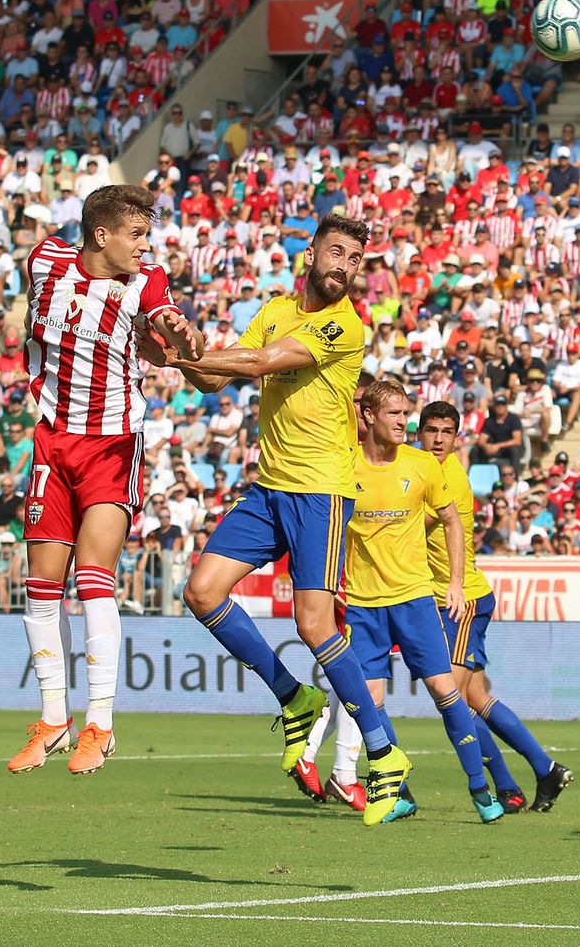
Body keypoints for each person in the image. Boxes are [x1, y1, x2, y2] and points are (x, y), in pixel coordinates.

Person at [138, 213, 412, 826]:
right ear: (309, 252)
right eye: (336, 252)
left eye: (355, 260)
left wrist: (193, 350)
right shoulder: (274, 308)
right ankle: (294, 697)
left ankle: (384, 750)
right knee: (201, 590)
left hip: (322, 493)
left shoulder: (345, 325)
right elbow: (213, 380)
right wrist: (179, 356)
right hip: (270, 489)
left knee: (314, 624)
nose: (344, 267)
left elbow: (259, 363)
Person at [7, 184, 202, 776]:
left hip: (112, 443)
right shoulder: (45, 261)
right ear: (100, 235)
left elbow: (163, 312)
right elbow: (30, 318)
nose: (146, 248)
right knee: (41, 588)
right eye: (136, 235)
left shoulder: (147, 281)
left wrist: (178, 330)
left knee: (93, 579)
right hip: (51, 440)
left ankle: (101, 723)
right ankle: (52, 718)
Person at [341, 379, 504, 824]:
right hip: (361, 603)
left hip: (414, 599)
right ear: (369, 416)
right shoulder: (344, 465)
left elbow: (451, 520)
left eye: (405, 413)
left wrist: (454, 582)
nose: (403, 422)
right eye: (394, 413)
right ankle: (399, 793)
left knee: (444, 691)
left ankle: (480, 789)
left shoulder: (423, 466)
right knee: (368, 703)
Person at [419, 400, 573, 813]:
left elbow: (411, 528)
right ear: (420, 432)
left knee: (448, 697)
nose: (437, 439)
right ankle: (542, 771)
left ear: (456, 438)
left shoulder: (446, 477)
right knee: (476, 699)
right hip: (451, 599)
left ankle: (504, 786)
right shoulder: (425, 468)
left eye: (446, 432)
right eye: (431, 430)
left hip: (460, 601)